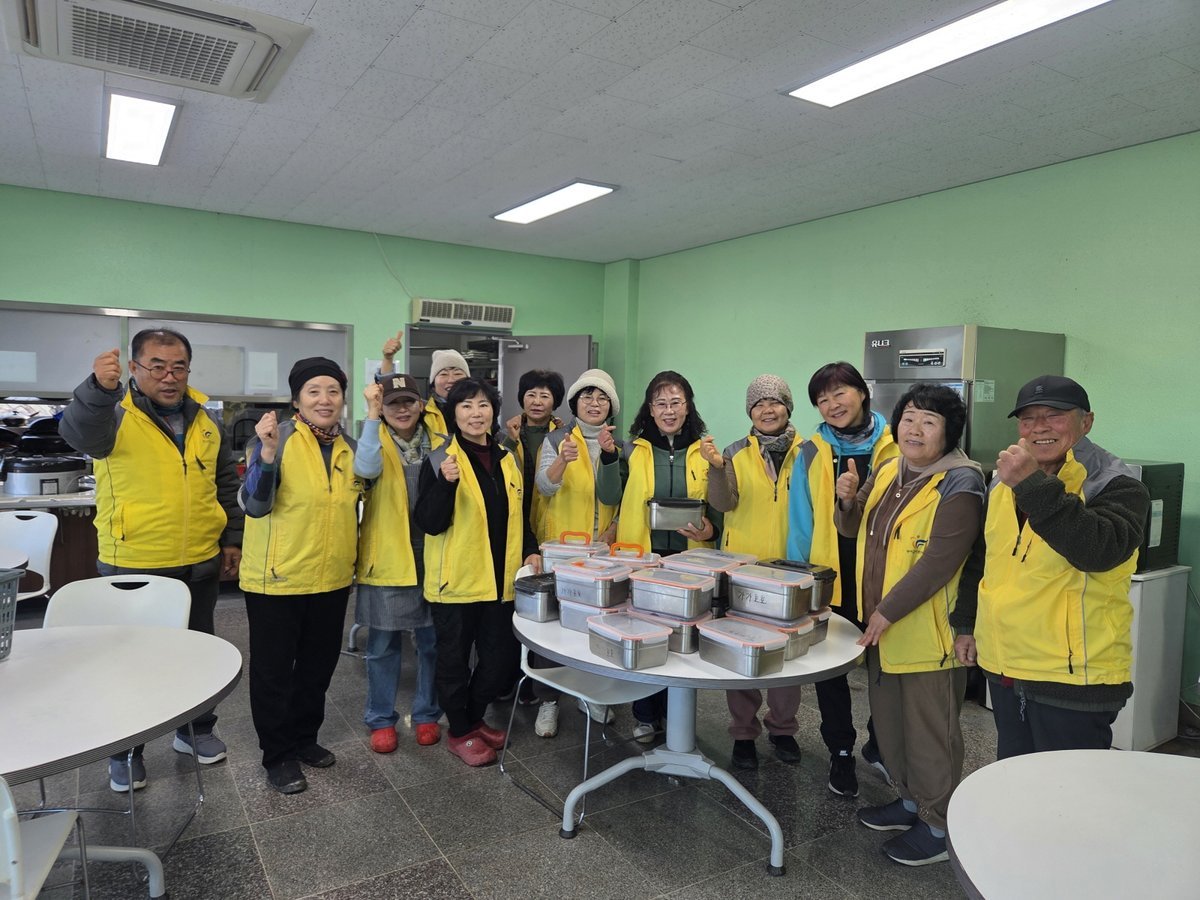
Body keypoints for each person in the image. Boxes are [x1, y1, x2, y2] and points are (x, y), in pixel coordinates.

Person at [60, 329, 243, 793]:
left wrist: (231, 539)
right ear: (135, 369)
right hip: (133, 561)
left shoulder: (206, 418)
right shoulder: (112, 414)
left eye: (178, 367)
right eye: (157, 366)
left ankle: (195, 730)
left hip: (198, 558)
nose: (169, 376)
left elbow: (223, 481)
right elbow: (77, 434)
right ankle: (125, 750)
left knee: (197, 653)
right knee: (130, 662)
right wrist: (97, 390)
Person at [951, 375, 1149, 759]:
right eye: (1027, 419)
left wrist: (1031, 485)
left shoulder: (1115, 483)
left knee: (1069, 788)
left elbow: (1098, 551)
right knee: (1015, 777)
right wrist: (966, 624)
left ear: (1086, 421)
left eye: (1054, 415)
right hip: (1005, 665)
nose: (1039, 427)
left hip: (1073, 678)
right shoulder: (1002, 481)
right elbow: (984, 558)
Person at [834, 384, 984, 866]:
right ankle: (908, 801)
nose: (915, 429)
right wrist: (846, 501)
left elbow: (941, 561)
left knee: (930, 734)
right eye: (909, 418)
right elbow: (854, 529)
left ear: (949, 431)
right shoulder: (888, 468)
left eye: (929, 421)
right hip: (881, 628)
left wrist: (886, 611)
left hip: (927, 633)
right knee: (892, 726)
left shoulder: (961, 482)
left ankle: (939, 825)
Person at [240, 357, 359, 794]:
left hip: (331, 576)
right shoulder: (275, 438)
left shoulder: (349, 446)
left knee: (317, 667)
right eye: (314, 391)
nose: (324, 399)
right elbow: (254, 505)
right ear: (297, 400)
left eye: (333, 391)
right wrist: (268, 455)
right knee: (273, 672)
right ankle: (277, 755)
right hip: (277, 577)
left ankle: (305, 738)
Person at [413, 378, 542, 766]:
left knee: (499, 659)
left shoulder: (507, 457)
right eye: (466, 405)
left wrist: (531, 549)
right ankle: (460, 731)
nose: (475, 413)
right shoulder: (440, 460)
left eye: (483, 405)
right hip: (457, 581)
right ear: (453, 413)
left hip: (501, 582)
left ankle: (472, 719)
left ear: (493, 412)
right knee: (453, 662)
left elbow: (519, 514)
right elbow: (429, 523)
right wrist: (445, 484)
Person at [786, 361, 898, 797]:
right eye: (822, 399)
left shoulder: (896, 444)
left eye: (840, 393)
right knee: (829, 665)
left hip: (884, 573)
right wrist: (801, 576)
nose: (832, 404)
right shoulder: (811, 451)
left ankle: (880, 743)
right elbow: (801, 519)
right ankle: (841, 749)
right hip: (831, 571)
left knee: (886, 663)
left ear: (862, 393)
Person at [702, 375, 805, 770]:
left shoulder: (809, 451)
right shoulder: (734, 452)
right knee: (743, 650)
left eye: (774, 402)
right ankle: (743, 733)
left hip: (791, 567)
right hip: (743, 567)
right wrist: (716, 469)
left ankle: (783, 728)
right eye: (758, 404)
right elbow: (722, 503)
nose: (767, 410)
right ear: (750, 411)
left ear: (787, 408)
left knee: (786, 654)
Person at [616, 370, 720, 742]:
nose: (669, 410)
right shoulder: (633, 449)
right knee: (646, 636)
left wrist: (711, 531)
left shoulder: (705, 451)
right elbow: (610, 496)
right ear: (649, 409)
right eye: (660, 403)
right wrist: (609, 459)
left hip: (691, 561)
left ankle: (677, 715)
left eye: (676, 402)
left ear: (688, 407)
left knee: (683, 640)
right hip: (645, 557)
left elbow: (719, 507)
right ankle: (645, 715)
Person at [531, 369, 624, 738]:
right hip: (562, 547)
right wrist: (562, 460)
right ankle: (548, 700)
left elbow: (624, 496)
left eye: (602, 398)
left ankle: (591, 694)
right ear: (574, 403)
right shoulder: (557, 439)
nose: (594, 403)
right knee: (553, 626)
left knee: (597, 622)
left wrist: (613, 531)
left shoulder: (621, 445)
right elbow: (544, 487)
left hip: (604, 550)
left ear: (611, 407)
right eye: (587, 396)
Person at [353, 373, 442, 754]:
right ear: (383, 408)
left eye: (409, 401)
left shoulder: (441, 442)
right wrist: (372, 418)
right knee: (382, 643)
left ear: (421, 404)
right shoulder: (372, 440)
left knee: (432, 641)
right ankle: (380, 718)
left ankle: (427, 713)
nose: (402, 409)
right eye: (393, 403)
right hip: (388, 552)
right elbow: (365, 470)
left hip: (435, 552)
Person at [501, 369, 565, 542]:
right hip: (514, 515)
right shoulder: (505, 435)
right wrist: (510, 441)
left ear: (555, 401)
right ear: (522, 398)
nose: (537, 402)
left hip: (551, 518)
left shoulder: (562, 437)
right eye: (531, 395)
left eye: (544, 396)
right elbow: (499, 471)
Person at [379, 329, 468, 442]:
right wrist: (388, 359)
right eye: (443, 374)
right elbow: (388, 390)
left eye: (458, 373)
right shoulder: (423, 410)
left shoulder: (481, 409)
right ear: (433, 383)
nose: (451, 380)